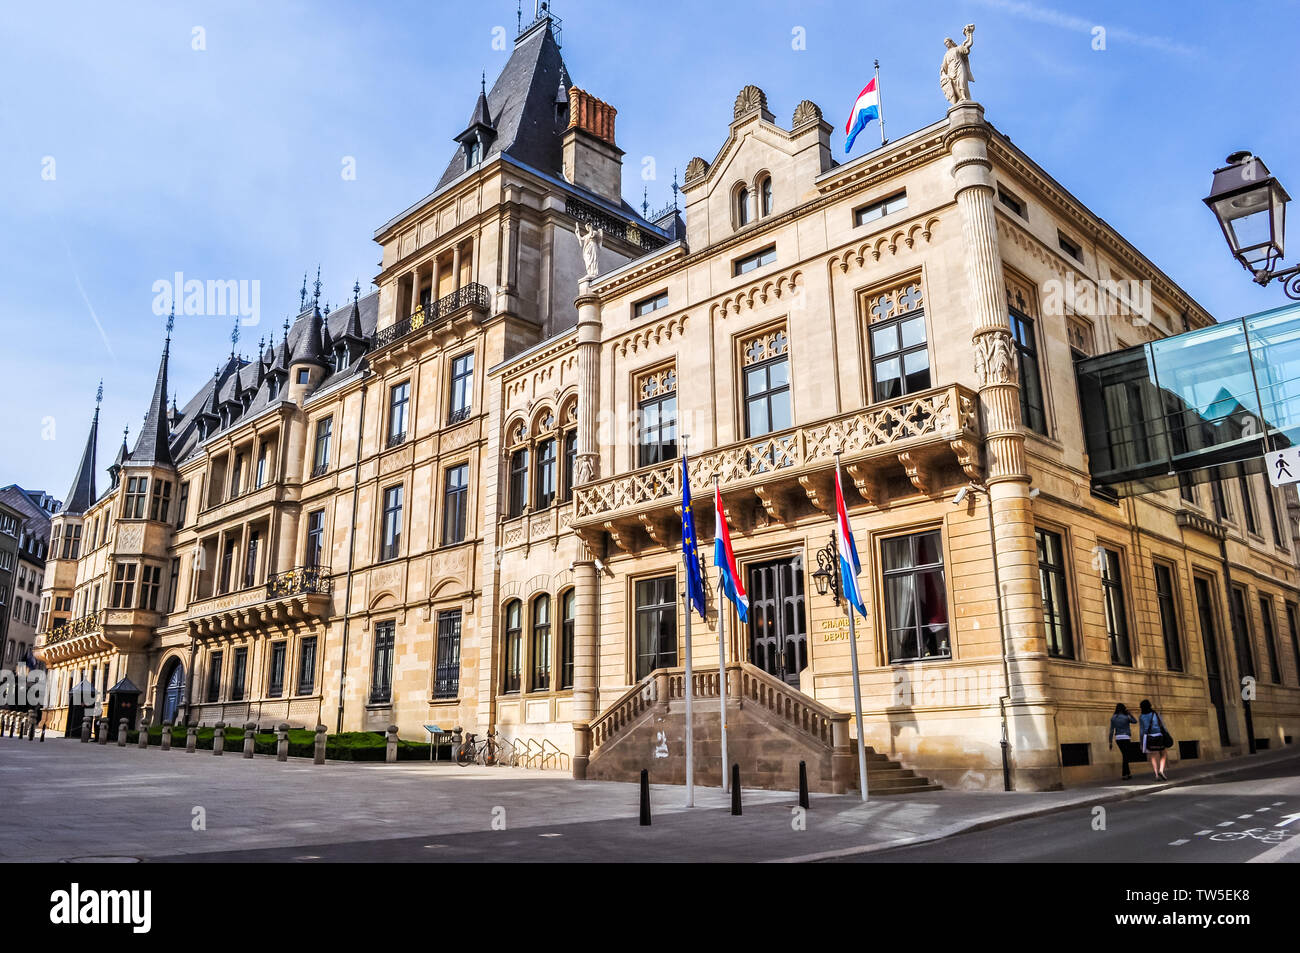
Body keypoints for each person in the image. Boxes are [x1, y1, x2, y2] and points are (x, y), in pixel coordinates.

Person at [1139, 699, 1170, 781]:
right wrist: (1167, 733)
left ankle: (1156, 775)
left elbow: (1141, 731)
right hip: (1158, 736)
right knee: (1163, 754)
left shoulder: (1141, 717)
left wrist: (1141, 742)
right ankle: (1161, 770)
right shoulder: (1155, 714)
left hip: (1149, 737)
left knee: (1153, 756)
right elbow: (1162, 725)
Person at [1107, 702, 1138, 780]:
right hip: (1126, 737)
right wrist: (1130, 714)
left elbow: (1111, 730)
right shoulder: (1126, 717)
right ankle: (1124, 774)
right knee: (1126, 755)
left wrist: (1110, 742)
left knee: (1125, 755)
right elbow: (1135, 721)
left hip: (1118, 738)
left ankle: (1128, 773)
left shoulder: (1113, 718)